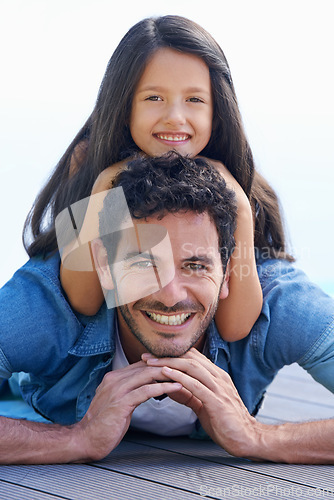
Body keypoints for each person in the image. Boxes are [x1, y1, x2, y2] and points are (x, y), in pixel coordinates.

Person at [0, 154, 334, 465]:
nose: (171, 295)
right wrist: (76, 439)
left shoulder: (281, 303)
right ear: (104, 265)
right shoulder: (44, 305)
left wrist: (258, 436)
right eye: (144, 262)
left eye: (195, 266)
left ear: (229, 272)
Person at [25, 13, 301, 342]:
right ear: (124, 105)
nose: (175, 117)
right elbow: (83, 301)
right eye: (154, 98)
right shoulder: (89, 159)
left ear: (218, 109)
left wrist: (238, 202)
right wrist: (107, 183)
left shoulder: (231, 174)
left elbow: (235, 326)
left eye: (195, 100)